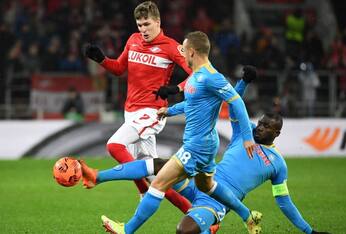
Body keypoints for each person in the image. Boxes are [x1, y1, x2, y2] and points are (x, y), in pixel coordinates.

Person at [79, 69, 329, 234]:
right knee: (157, 165)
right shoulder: (245, 135)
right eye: (260, 123)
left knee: (183, 231)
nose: (260, 128)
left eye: (267, 127)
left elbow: (284, 202)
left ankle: (210, 224)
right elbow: (232, 104)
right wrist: (243, 82)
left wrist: (310, 231)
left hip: (218, 201)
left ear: (277, 134)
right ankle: (97, 176)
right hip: (200, 183)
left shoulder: (277, 164)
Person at [86, 31, 256, 234]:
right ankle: (248, 216)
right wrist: (169, 111)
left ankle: (126, 229)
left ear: (192, 52)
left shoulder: (212, 78)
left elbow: (237, 102)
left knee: (157, 182)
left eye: (183, 50)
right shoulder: (197, 76)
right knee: (208, 186)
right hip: (204, 144)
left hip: (197, 146)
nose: (181, 54)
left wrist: (247, 137)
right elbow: (192, 104)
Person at [82, 1, 192, 213]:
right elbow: (119, 68)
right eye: (139, 25)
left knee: (114, 145)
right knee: (155, 176)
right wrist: (101, 59)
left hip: (152, 112)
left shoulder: (171, 47)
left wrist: (176, 89)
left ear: (158, 22)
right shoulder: (133, 40)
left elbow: (198, 73)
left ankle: (140, 190)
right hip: (131, 111)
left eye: (147, 24)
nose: (143, 30)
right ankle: (195, 214)